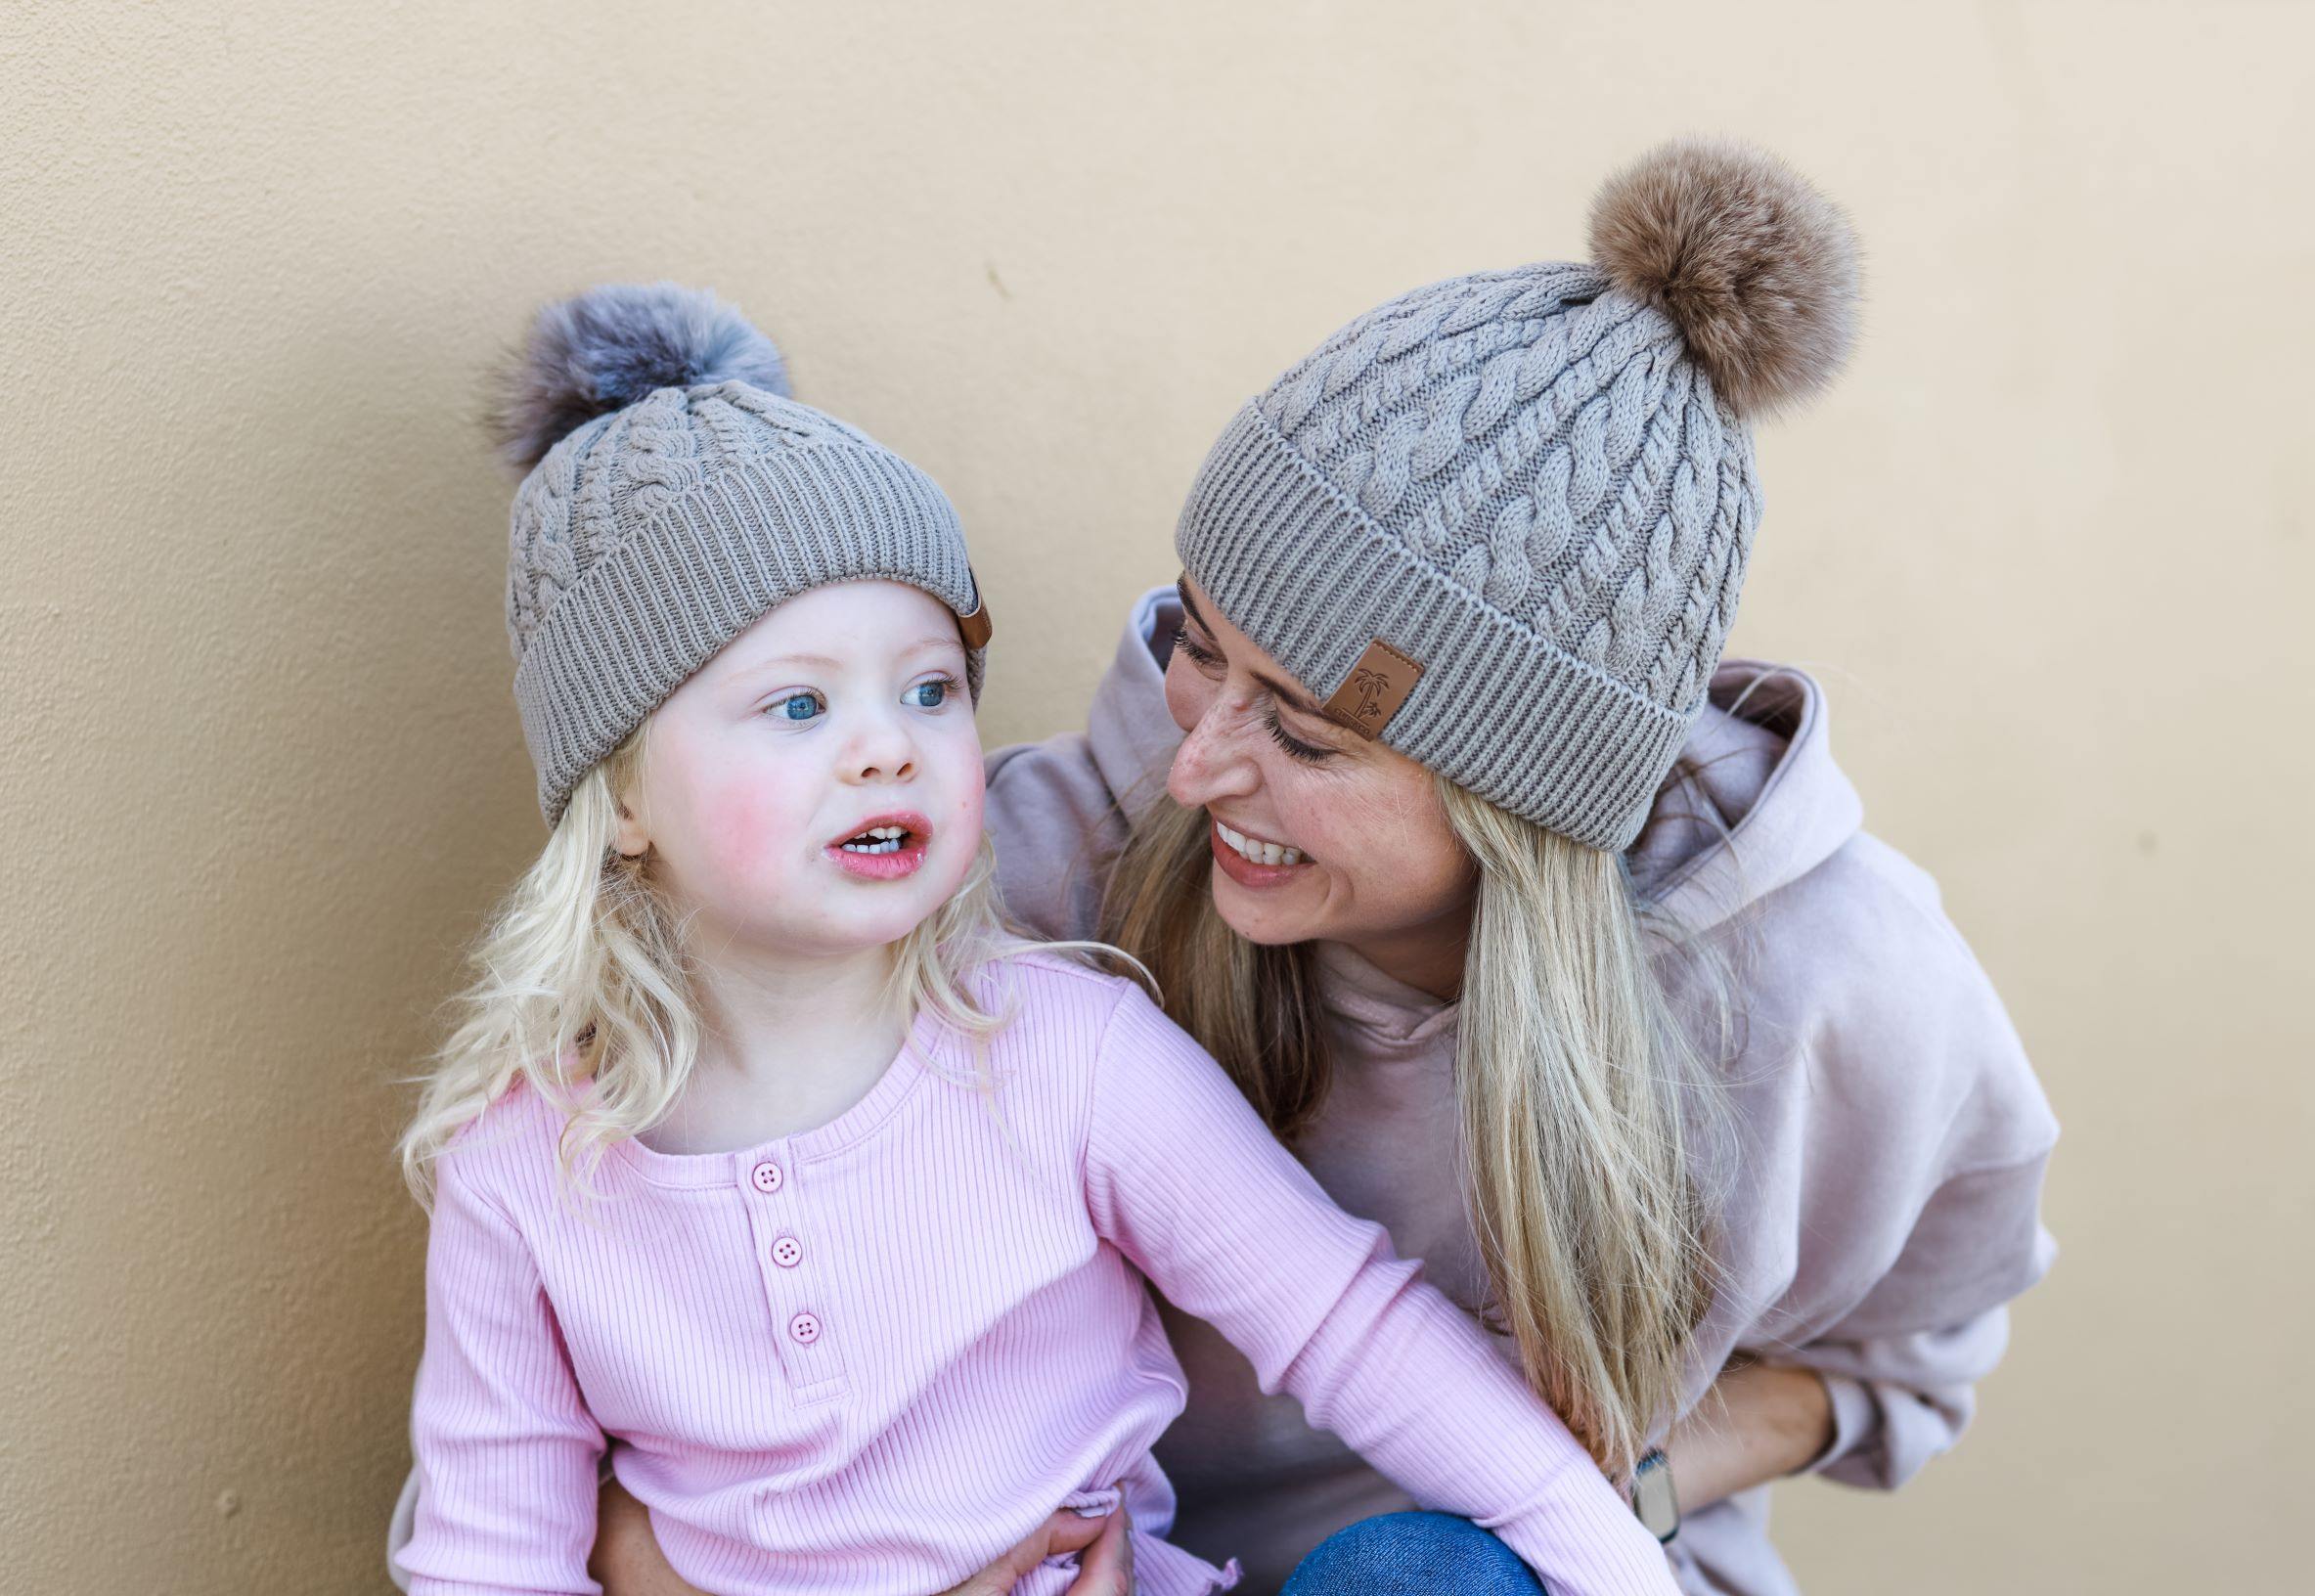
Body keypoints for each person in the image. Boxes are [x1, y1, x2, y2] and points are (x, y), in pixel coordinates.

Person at [388, 282, 1680, 1596]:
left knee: (1420, 1579)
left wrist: (1622, 1575)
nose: (886, 742)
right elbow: (489, 1553)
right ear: (619, 802)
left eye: (930, 687)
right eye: (794, 705)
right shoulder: (522, 1170)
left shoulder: (1064, 1051)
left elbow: (1351, 1332)